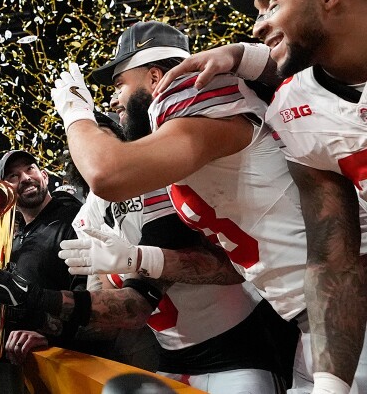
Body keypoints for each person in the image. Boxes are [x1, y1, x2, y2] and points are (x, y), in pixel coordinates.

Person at [154, 0, 367, 394]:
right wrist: (332, 386)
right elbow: (334, 258)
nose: (257, 24)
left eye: (272, 3)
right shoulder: (297, 105)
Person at [46, 21, 315, 389]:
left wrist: (76, 115)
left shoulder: (188, 94)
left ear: (156, 76)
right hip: (307, 311)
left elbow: (106, 172)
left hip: (310, 308)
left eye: (120, 84)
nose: (112, 101)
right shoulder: (170, 157)